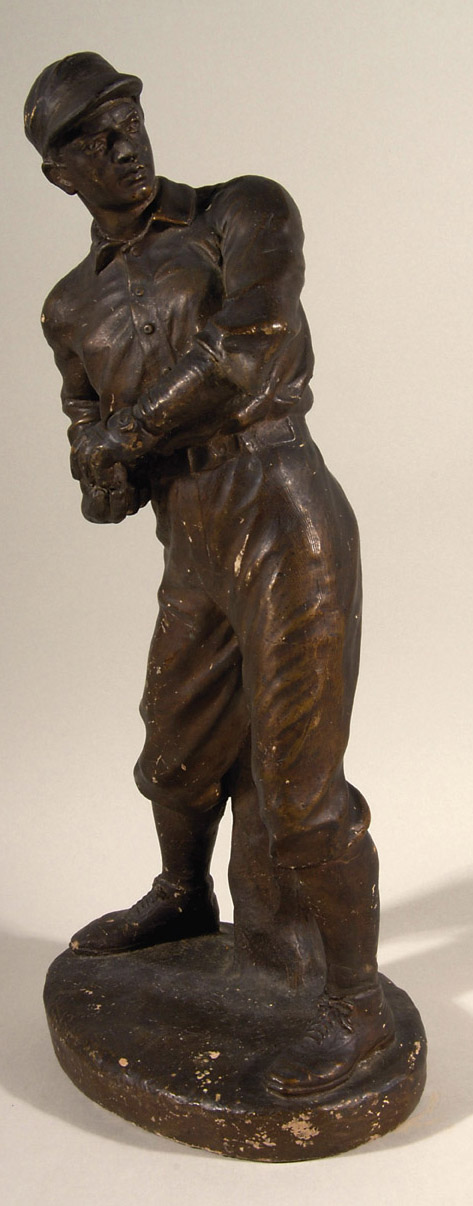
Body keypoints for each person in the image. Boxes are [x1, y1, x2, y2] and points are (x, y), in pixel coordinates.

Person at [25, 53, 394, 1094]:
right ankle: (183, 896)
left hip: (280, 506)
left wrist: (126, 433)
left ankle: (356, 1007)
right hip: (187, 534)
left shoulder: (241, 209)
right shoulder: (68, 308)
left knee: (299, 794)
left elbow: (250, 345)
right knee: (174, 755)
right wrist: (98, 469)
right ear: (59, 174)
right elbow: (91, 442)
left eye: (128, 119)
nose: (123, 145)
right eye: (93, 139)